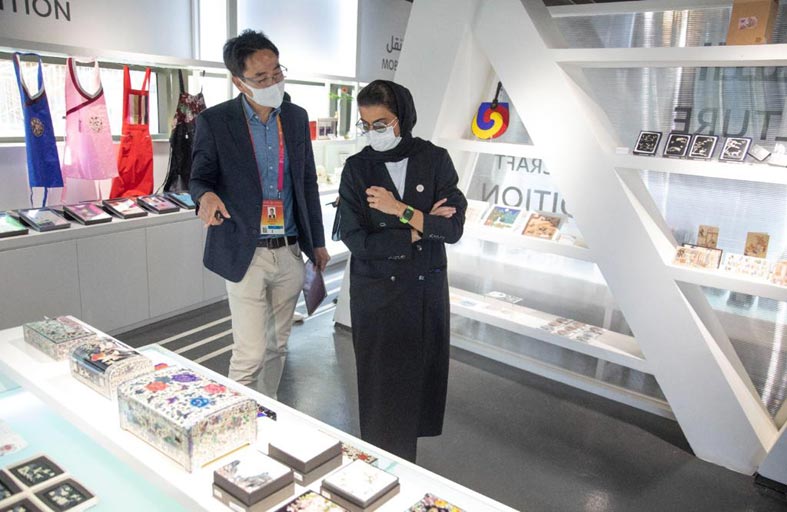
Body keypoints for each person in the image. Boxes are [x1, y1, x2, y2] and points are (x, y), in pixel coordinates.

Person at [190, 30, 329, 399]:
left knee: (276, 346)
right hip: (245, 251)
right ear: (239, 81)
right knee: (250, 353)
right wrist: (205, 195)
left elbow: (307, 182)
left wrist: (317, 243)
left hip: (289, 249)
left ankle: (267, 412)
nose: (273, 83)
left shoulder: (295, 118)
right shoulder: (216, 121)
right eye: (261, 78)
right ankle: (235, 418)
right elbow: (199, 178)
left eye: (277, 73)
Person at [338, 80, 467, 462]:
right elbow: (356, 239)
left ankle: (406, 470)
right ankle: (381, 469)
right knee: (380, 391)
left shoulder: (435, 159)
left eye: (381, 123)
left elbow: (452, 229)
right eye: (366, 125)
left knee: (417, 386)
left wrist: (400, 210)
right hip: (376, 294)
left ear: (403, 117)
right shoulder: (357, 168)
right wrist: (418, 229)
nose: (373, 132)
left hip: (424, 291)